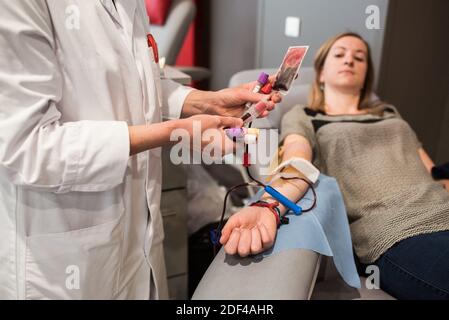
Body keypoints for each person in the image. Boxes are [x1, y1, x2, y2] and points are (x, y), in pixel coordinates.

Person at [0, 1, 280, 299]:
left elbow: (139, 82)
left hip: (138, 235)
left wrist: (209, 100)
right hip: (63, 256)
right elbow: (27, 147)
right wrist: (175, 133)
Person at [220, 32, 449, 300]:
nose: (349, 60)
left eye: (359, 57)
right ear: (321, 73)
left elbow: (433, 174)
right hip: (397, 230)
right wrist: (269, 205)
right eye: (339, 55)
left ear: (366, 75)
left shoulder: (388, 113)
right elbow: (297, 162)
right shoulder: (305, 116)